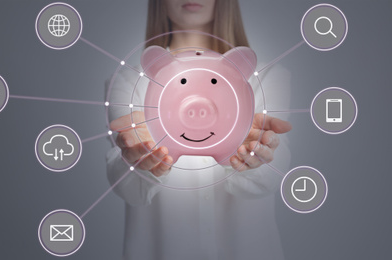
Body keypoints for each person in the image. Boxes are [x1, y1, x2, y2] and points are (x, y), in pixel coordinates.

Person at [106, 0, 292, 259]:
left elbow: (273, 176)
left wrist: (255, 158)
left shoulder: (269, 77)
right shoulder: (130, 81)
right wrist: (138, 161)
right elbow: (125, 186)